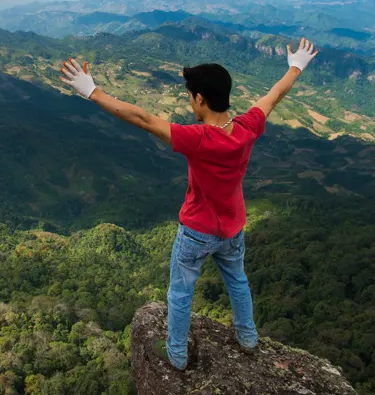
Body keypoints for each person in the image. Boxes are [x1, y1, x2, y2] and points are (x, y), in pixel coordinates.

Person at [60, 37, 318, 371]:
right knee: (238, 281)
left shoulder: (199, 138)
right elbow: (275, 95)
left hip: (197, 230)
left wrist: (92, 91)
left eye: (190, 97)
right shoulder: (246, 127)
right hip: (233, 226)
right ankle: (248, 338)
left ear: (200, 98)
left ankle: (177, 355)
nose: (190, 103)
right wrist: (296, 65)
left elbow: (142, 119)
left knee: (181, 292)